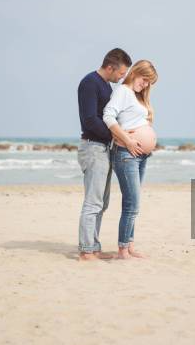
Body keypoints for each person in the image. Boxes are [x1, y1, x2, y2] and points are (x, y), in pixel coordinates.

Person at [77, 48, 132, 261]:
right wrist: (115, 136)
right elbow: (90, 119)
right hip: (93, 147)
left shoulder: (106, 86)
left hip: (104, 148)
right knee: (93, 202)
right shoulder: (89, 83)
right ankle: (86, 251)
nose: (121, 78)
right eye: (121, 73)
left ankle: (94, 246)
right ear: (110, 67)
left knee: (102, 202)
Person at [103, 60, 159, 259]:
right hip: (126, 154)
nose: (145, 85)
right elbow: (108, 116)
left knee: (134, 202)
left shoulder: (136, 96)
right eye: (145, 80)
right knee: (132, 203)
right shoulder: (123, 91)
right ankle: (122, 250)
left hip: (141, 155)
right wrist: (127, 139)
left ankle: (129, 245)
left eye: (148, 83)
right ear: (135, 72)